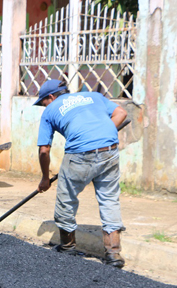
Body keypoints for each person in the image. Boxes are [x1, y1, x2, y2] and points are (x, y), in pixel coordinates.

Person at [34, 79, 128, 268]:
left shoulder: (50, 111)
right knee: (109, 199)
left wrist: (45, 178)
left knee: (66, 198)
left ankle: (68, 246)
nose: (44, 106)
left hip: (79, 154)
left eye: (44, 102)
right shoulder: (94, 96)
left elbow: (44, 150)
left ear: (51, 97)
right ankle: (113, 253)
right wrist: (104, 132)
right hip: (109, 150)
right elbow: (121, 113)